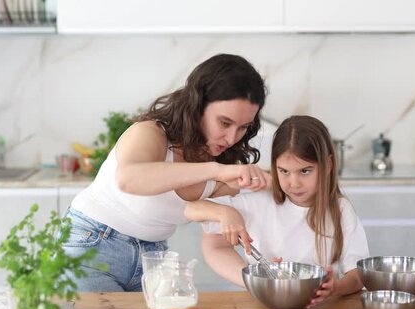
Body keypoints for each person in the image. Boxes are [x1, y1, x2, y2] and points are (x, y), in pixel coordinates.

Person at [64, 54, 271, 292]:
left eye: (243, 127)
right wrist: (216, 170)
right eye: (225, 123)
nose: (233, 138)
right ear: (198, 106)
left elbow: (261, 185)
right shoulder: (151, 133)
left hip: (151, 260)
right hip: (92, 247)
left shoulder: (221, 159)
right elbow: (129, 179)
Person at [185, 115, 369, 306]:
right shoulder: (260, 202)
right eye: (284, 171)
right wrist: (225, 213)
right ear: (275, 167)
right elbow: (191, 208)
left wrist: (336, 287)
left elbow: (358, 276)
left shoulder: (341, 210)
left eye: (305, 171)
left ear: (328, 165)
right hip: (264, 308)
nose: (294, 183)